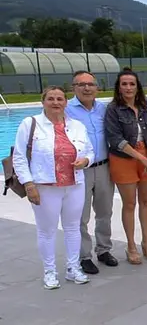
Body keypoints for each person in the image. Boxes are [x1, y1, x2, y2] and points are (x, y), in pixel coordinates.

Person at [14, 86, 95, 289]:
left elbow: (90, 151)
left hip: (74, 184)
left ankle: (73, 268)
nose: (56, 102)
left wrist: (85, 161)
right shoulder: (29, 124)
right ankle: (50, 271)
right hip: (45, 186)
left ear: (66, 102)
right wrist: (29, 184)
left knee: (73, 227)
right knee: (47, 231)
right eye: (51, 98)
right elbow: (20, 157)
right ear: (43, 102)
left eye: (60, 98)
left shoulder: (76, 125)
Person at [104, 68, 147, 265]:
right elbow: (115, 139)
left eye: (132, 84)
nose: (128, 87)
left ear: (137, 87)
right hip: (124, 159)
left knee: (146, 202)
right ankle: (131, 245)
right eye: (124, 84)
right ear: (118, 87)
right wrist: (141, 158)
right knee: (129, 204)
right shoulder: (113, 109)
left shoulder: (144, 108)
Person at [66, 71, 118, 275]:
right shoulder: (66, 110)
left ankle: (104, 250)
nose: (86, 88)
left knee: (105, 211)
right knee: (81, 215)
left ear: (97, 87)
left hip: (104, 167)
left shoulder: (104, 109)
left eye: (90, 84)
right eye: (81, 84)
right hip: (80, 170)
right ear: (74, 87)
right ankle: (84, 256)